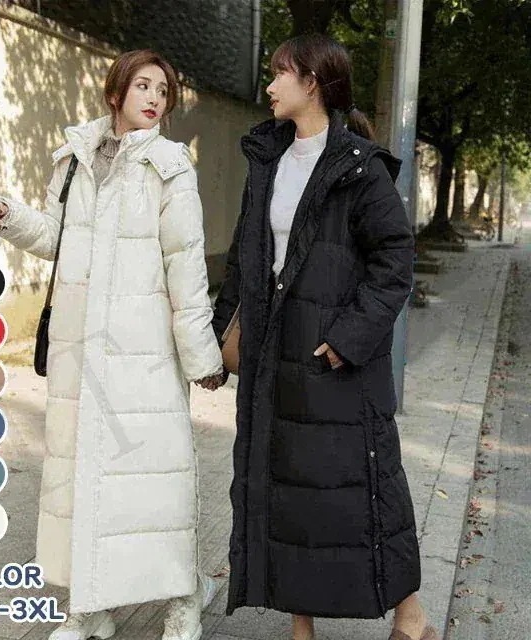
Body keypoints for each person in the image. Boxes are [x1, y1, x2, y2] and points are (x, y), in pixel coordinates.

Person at [0, 49, 225, 640]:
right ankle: (90, 607)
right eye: (143, 85)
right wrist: (13, 218)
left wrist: (200, 355)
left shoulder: (170, 166)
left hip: (145, 353)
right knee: (82, 481)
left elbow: (185, 265)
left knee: (157, 486)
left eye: (163, 91)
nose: (154, 98)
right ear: (116, 92)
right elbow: (59, 238)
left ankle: (183, 599)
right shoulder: (74, 158)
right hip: (80, 351)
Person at [212, 34, 439, 640]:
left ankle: (412, 616)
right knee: (287, 491)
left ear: (311, 82)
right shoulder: (268, 159)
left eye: (279, 74)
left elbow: (395, 259)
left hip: (334, 359)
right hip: (274, 354)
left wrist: (349, 337)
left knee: (364, 489)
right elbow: (244, 257)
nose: (269, 86)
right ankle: (301, 627)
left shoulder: (358, 166)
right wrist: (217, 339)